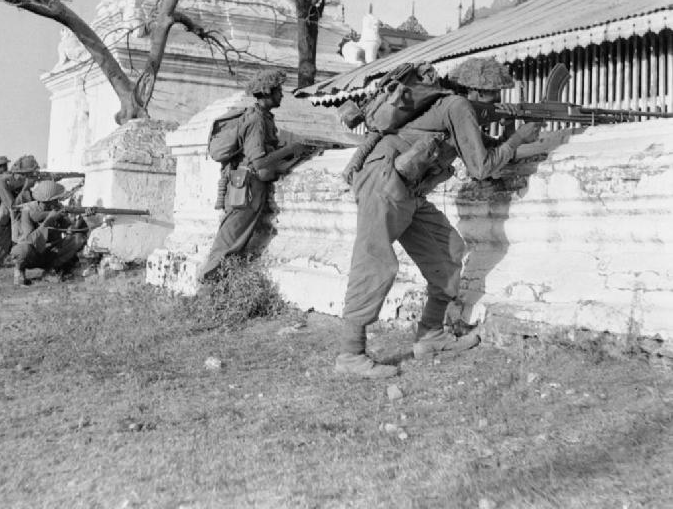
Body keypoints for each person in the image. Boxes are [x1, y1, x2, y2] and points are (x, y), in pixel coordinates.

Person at [335, 57, 541, 379]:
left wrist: (510, 135)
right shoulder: (457, 106)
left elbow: (481, 151)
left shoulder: (452, 108)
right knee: (374, 261)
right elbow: (482, 168)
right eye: (494, 94)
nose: (499, 99)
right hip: (384, 181)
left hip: (408, 189)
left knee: (448, 254)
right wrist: (516, 141)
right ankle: (351, 353)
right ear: (476, 90)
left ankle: (431, 336)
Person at [197, 68, 309, 282]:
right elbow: (258, 161)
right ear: (267, 92)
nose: (281, 95)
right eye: (278, 91)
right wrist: (290, 149)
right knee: (228, 243)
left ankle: (216, 287)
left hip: (248, 186)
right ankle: (207, 288)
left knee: (233, 241)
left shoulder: (263, 117)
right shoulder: (256, 120)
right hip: (246, 186)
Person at [11, 180, 89, 287]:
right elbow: (29, 239)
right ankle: (19, 272)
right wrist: (49, 219)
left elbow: (71, 230)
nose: (58, 201)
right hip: (32, 254)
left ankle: (51, 270)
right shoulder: (27, 211)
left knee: (78, 239)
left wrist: (82, 218)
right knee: (21, 250)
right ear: (47, 201)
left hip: (51, 253)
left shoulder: (57, 209)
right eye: (55, 200)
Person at [0, 155, 40, 269]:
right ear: (19, 173)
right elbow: (12, 206)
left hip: (6, 223)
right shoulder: (2, 182)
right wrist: (25, 188)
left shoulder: (17, 183)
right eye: (27, 175)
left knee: (6, 259)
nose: (28, 178)